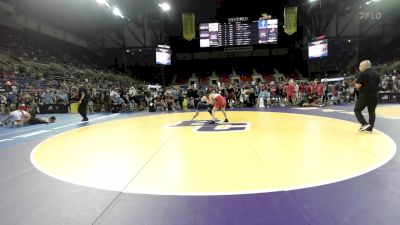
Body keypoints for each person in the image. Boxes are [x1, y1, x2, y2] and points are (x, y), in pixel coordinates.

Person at [354, 60, 381, 133]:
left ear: (364, 66)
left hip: (365, 95)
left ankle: (365, 124)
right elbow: (378, 83)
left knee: (357, 110)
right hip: (375, 95)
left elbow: (358, 85)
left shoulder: (363, 74)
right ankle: (370, 128)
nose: (359, 67)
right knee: (372, 111)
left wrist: (356, 84)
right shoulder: (376, 73)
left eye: (360, 65)